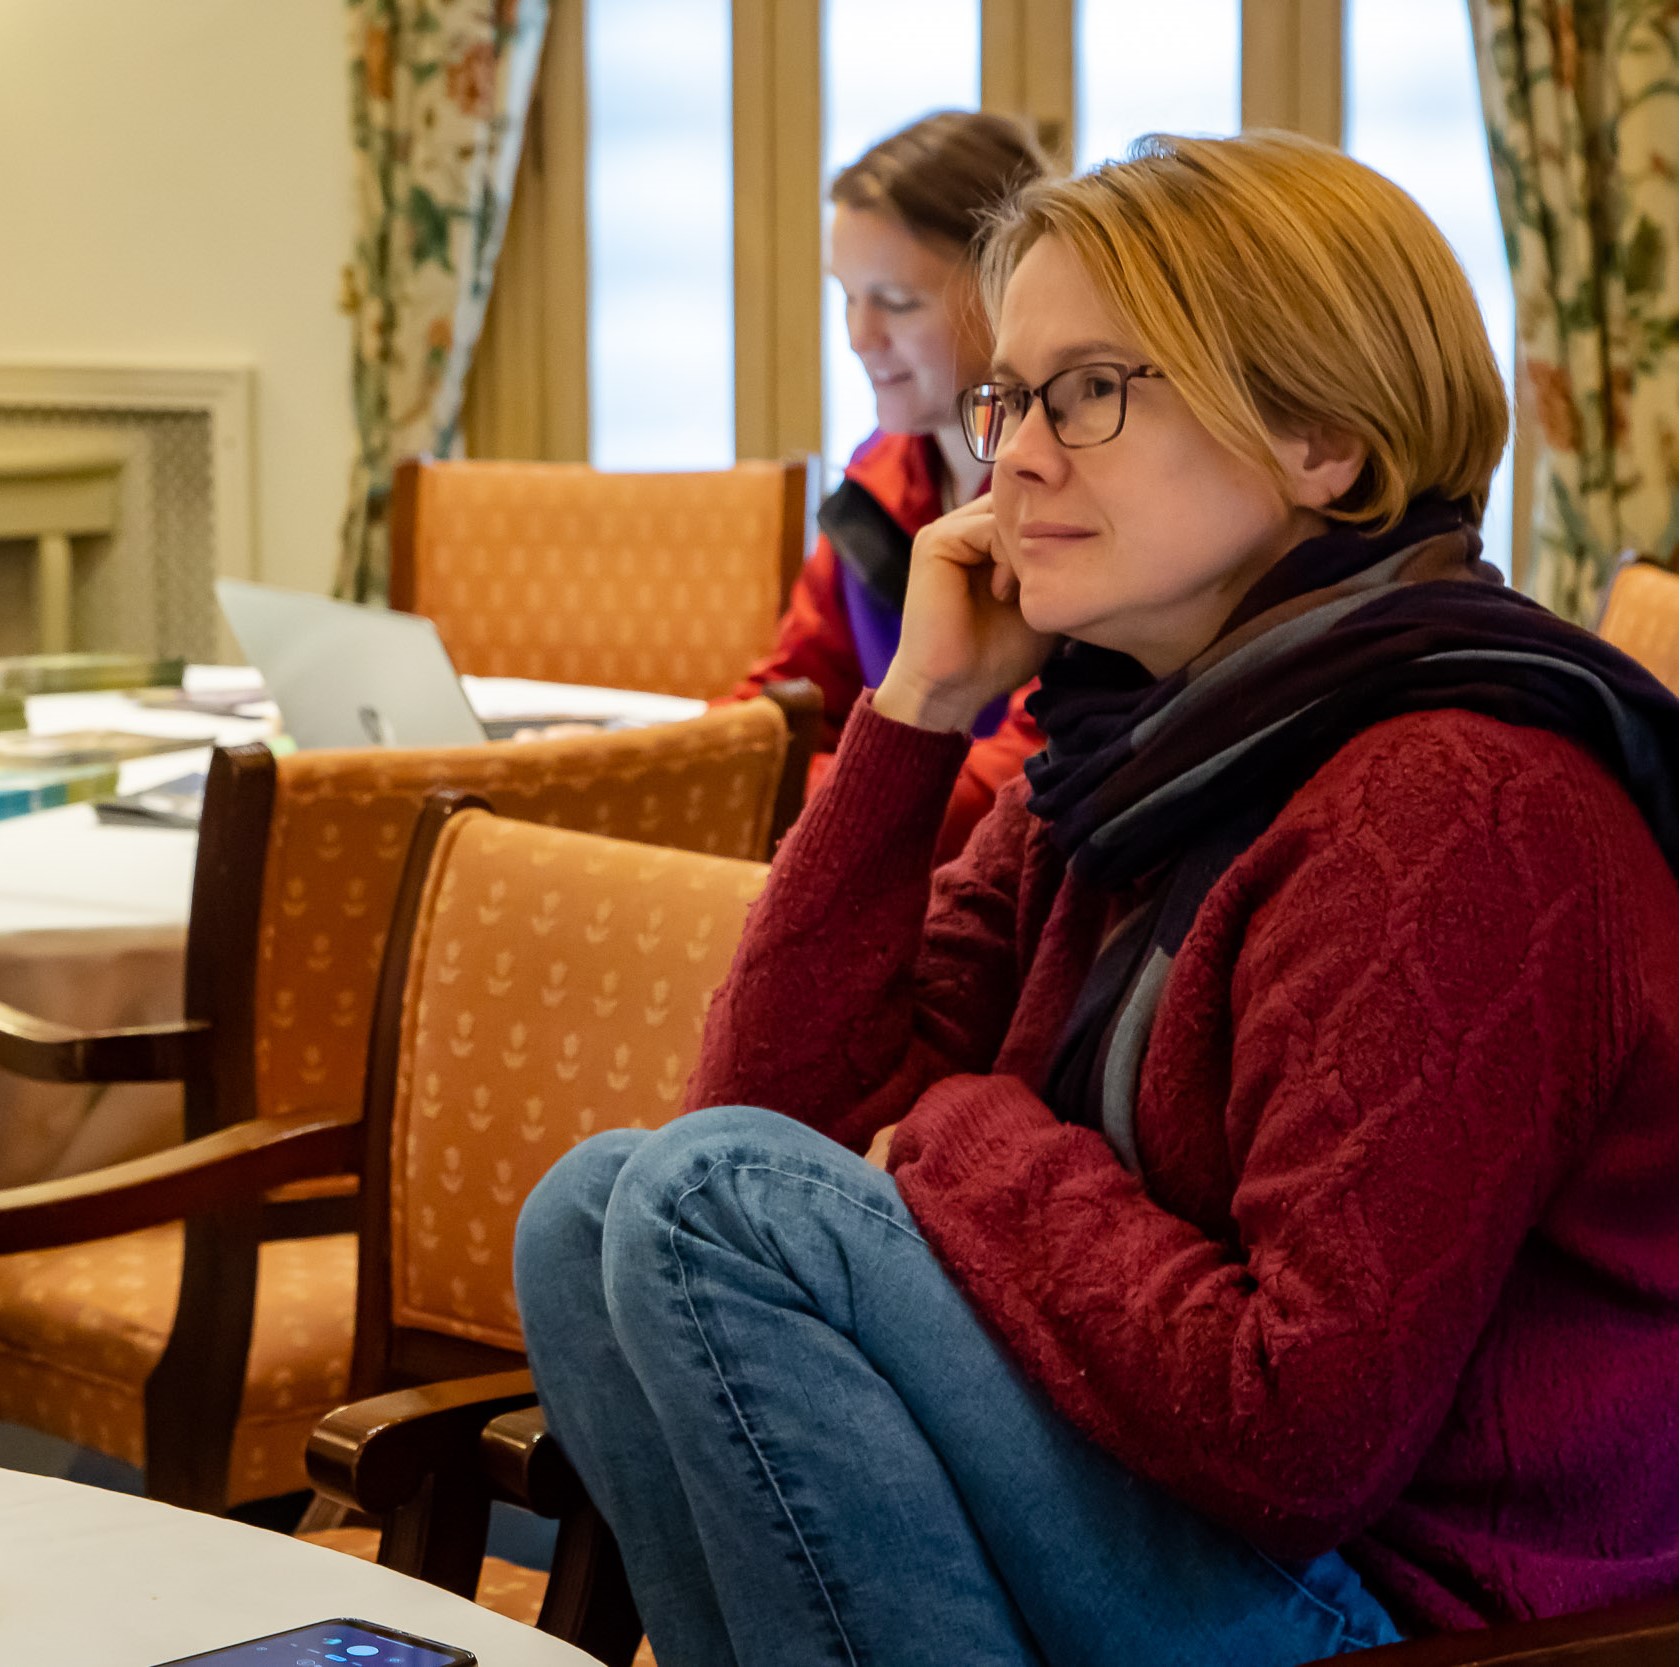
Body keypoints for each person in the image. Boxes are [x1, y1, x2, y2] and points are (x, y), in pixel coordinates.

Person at [515, 132, 1678, 1667]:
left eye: (1092, 393)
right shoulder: (1137, 738)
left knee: (693, 1205)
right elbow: (773, 1108)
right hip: (1204, 1509)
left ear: (1325, 438)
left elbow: (1299, 1429)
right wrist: (918, 707)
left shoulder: (1458, 803)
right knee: (595, 1203)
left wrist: (955, 1131)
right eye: (1010, 396)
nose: (1012, 460)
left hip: (1420, 1609)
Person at [732, 110, 1049, 862]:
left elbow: (1027, 781)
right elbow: (791, 698)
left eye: (897, 302)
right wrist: (646, 760)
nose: (857, 335)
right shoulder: (881, 473)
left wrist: (791, 794)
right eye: (846, 296)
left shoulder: (1074, 494)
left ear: (1013, 290)